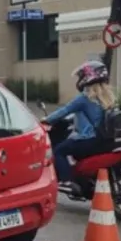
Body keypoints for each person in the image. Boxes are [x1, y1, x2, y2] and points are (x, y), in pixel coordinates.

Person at [41, 60, 115, 190]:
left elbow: (64, 111)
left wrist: (45, 120)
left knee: (59, 151)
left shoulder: (84, 98)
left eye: (81, 76)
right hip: (104, 140)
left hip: (89, 140)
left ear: (88, 77)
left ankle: (66, 181)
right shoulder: (108, 97)